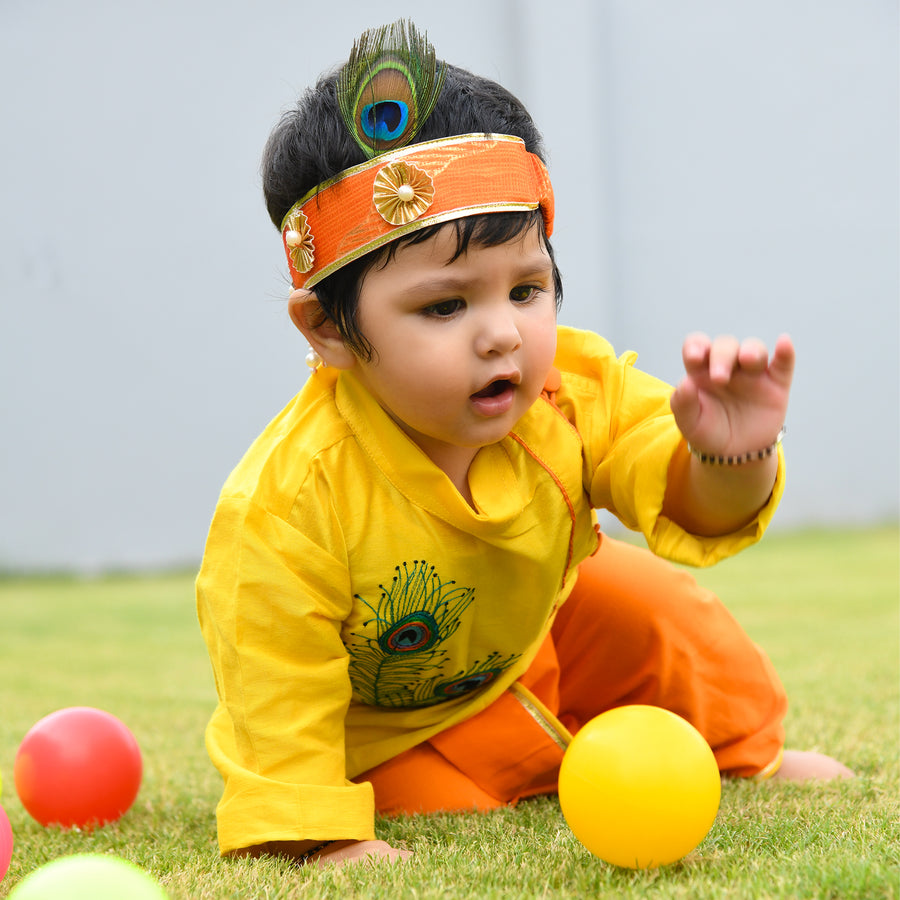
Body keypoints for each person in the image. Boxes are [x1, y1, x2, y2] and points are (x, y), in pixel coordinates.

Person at [196, 20, 852, 869]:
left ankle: (742, 752)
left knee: (655, 608)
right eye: (445, 306)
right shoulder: (288, 503)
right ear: (328, 328)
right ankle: (498, 757)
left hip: (529, 636)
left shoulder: (569, 390)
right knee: (452, 800)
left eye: (526, 287)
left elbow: (689, 500)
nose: (502, 334)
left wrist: (730, 455)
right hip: (391, 719)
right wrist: (323, 835)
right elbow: (276, 683)